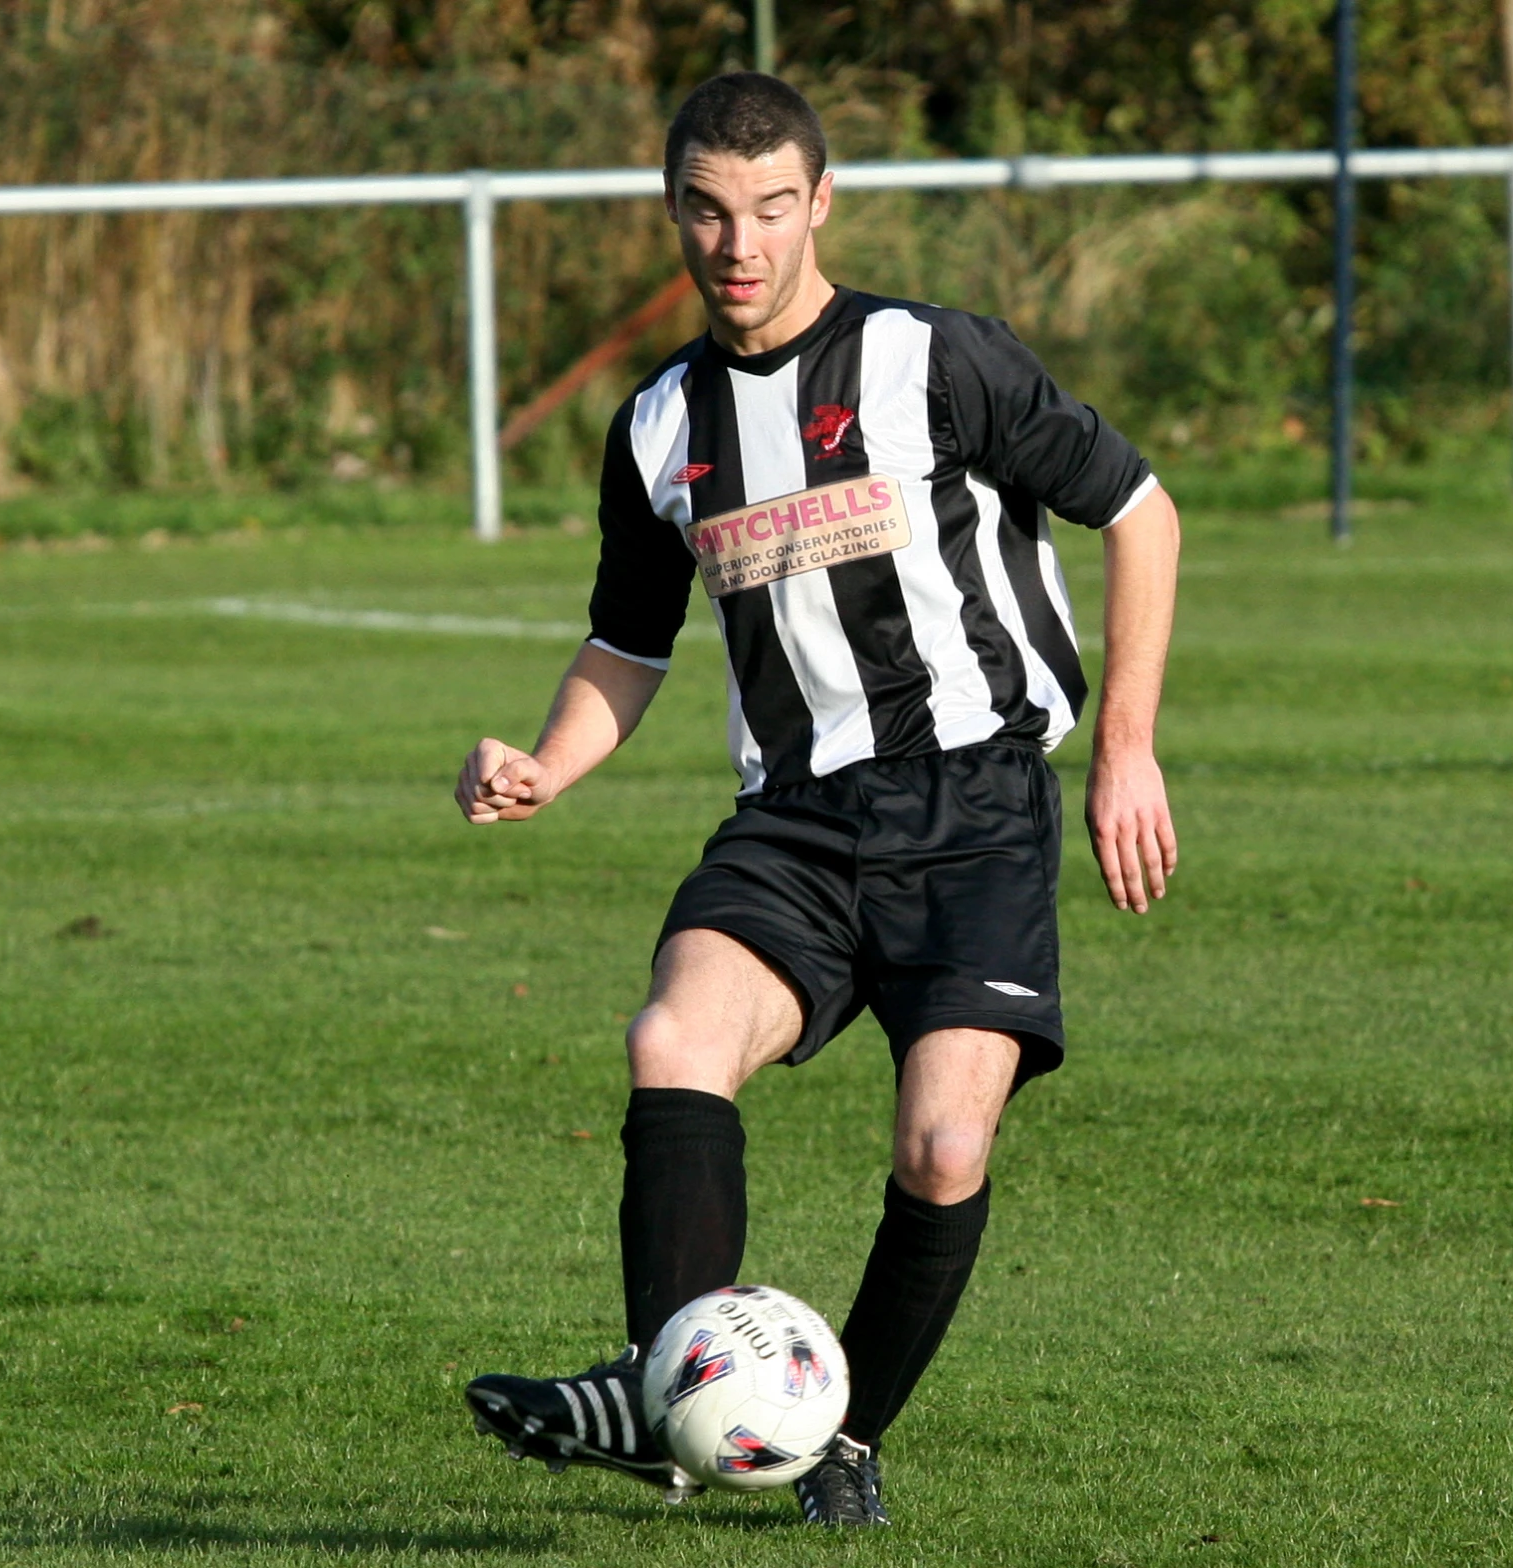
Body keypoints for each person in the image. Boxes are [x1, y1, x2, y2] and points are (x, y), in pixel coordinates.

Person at [453, 71, 1180, 1528]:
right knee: (671, 1038)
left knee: (944, 1144)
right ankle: (662, 1394)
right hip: (792, 819)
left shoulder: (936, 360)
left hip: (971, 804)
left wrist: (1123, 747)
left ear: (820, 202)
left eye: (771, 209)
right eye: (710, 212)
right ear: (674, 213)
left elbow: (1140, 510)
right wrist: (547, 760)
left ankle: (844, 1441)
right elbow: (627, 638)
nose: (741, 244)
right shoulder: (660, 422)